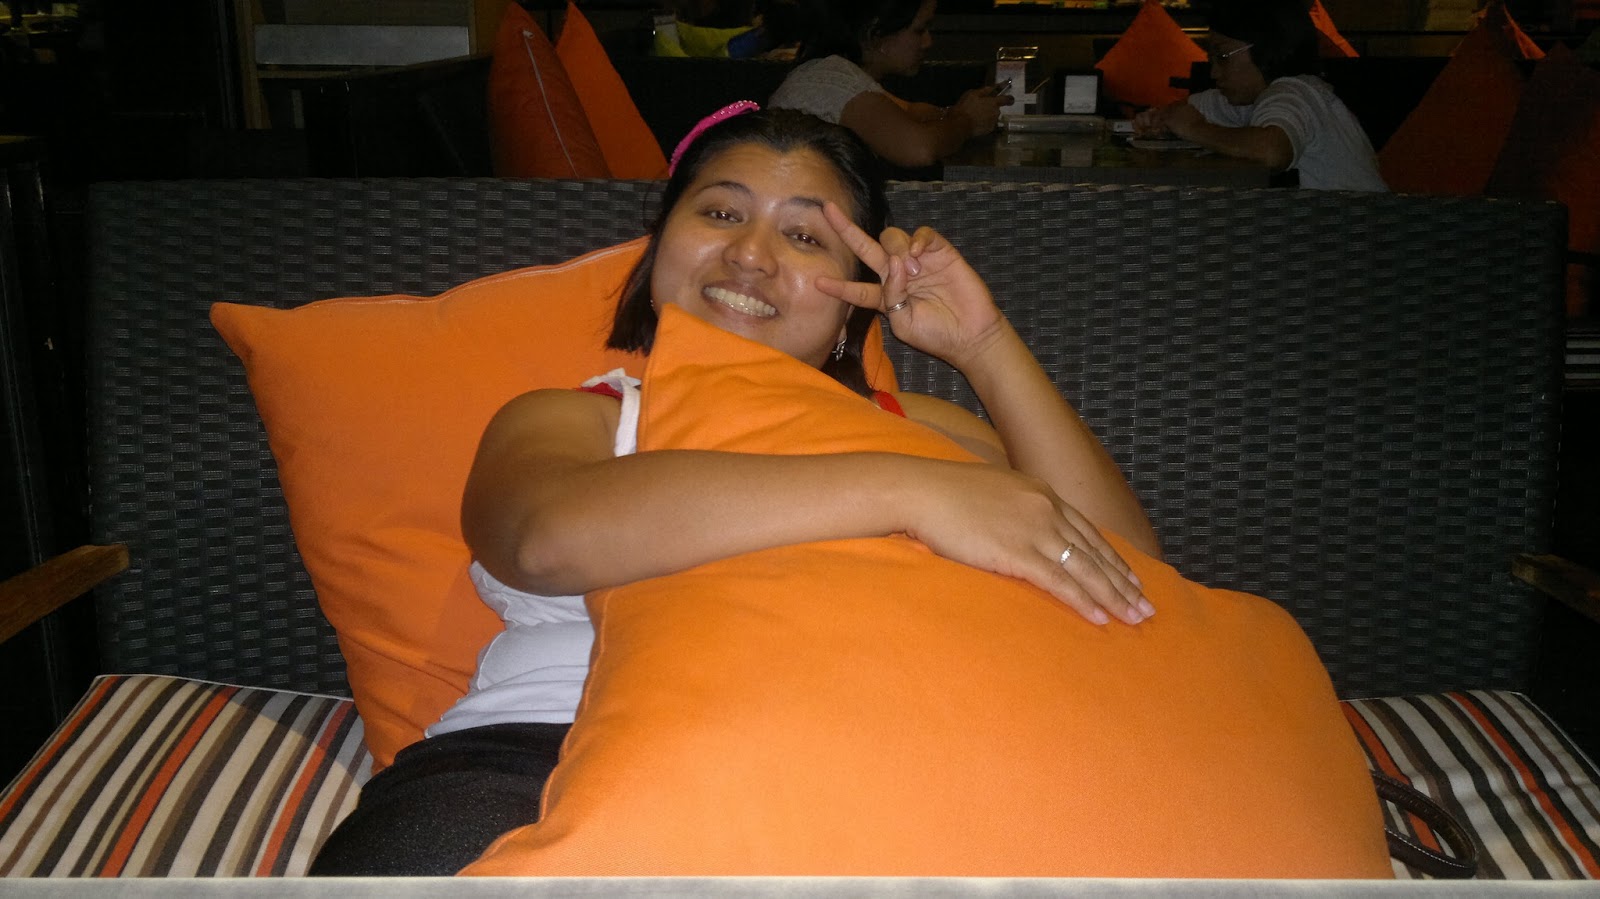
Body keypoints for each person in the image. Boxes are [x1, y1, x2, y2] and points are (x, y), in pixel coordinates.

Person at [309, 105, 1156, 876]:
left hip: (879, 771)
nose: (751, 253)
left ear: (852, 301)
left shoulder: (926, 427)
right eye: (720, 213)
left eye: (805, 236)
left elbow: (1133, 574)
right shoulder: (581, 417)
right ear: (659, 248)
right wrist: (913, 491)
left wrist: (985, 345)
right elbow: (542, 537)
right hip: (542, 758)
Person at [1132, 0, 1386, 191]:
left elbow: (1273, 152)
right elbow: (1185, 111)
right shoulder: (1249, 98)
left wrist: (1195, 129)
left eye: (1222, 57)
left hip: (1364, 235)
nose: (1213, 72)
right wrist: (1162, 122)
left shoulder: (1296, 92)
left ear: (1267, 47)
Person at [765, 0, 1010, 171]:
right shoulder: (830, 81)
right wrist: (967, 121)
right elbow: (919, 150)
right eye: (920, 30)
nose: (928, 42)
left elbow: (911, 112)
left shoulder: (841, 74)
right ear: (876, 35)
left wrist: (961, 111)